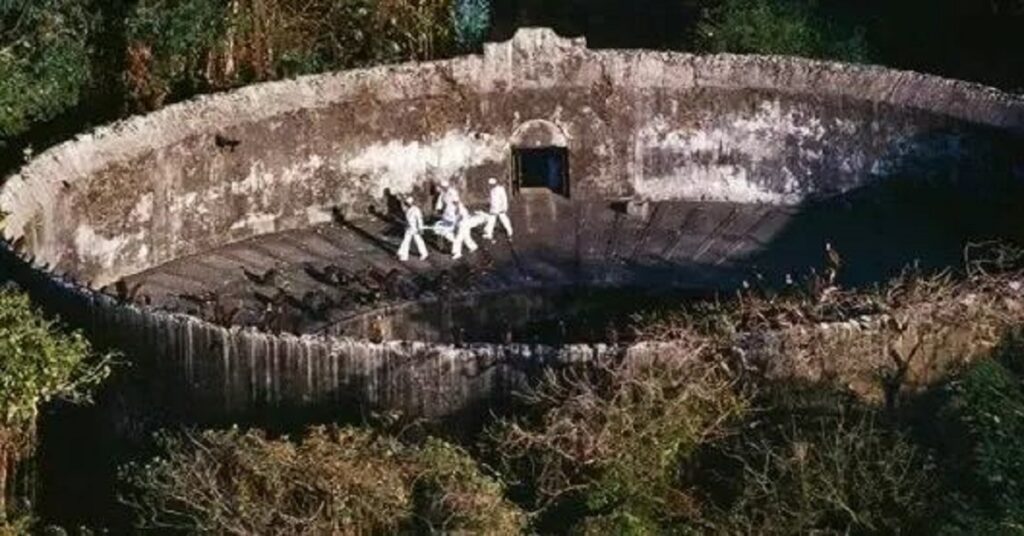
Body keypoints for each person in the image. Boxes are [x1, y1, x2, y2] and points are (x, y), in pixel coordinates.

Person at [397, 196, 428, 262]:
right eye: (406, 203)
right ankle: (404, 255)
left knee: (418, 241)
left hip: (415, 228)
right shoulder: (407, 209)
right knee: (406, 240)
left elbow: (419, 220)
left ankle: (424, 253)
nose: (407, 204)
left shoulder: (416, 210)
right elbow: (407, 218)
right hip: (409, 227)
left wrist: (420, 228)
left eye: (408, 203)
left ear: (411, 203)